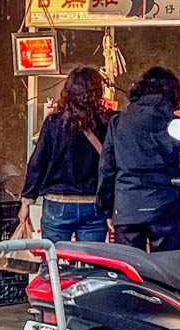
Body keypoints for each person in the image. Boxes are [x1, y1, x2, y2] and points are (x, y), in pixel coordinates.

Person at [97, 66, 180, 252]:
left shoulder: (118, 122)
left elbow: (106, 169)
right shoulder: (175, 124)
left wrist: (107, 208)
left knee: (130, 266)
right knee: (167, 266)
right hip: (165, 206)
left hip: (127, 207)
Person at [19, 67, 111, 242]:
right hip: (94, 204)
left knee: (54, 257)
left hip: (58, 203)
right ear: (97, 91)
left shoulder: (54, 122)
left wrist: (26, 202)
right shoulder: (106, 123)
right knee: (92, 259)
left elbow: (38, 163)